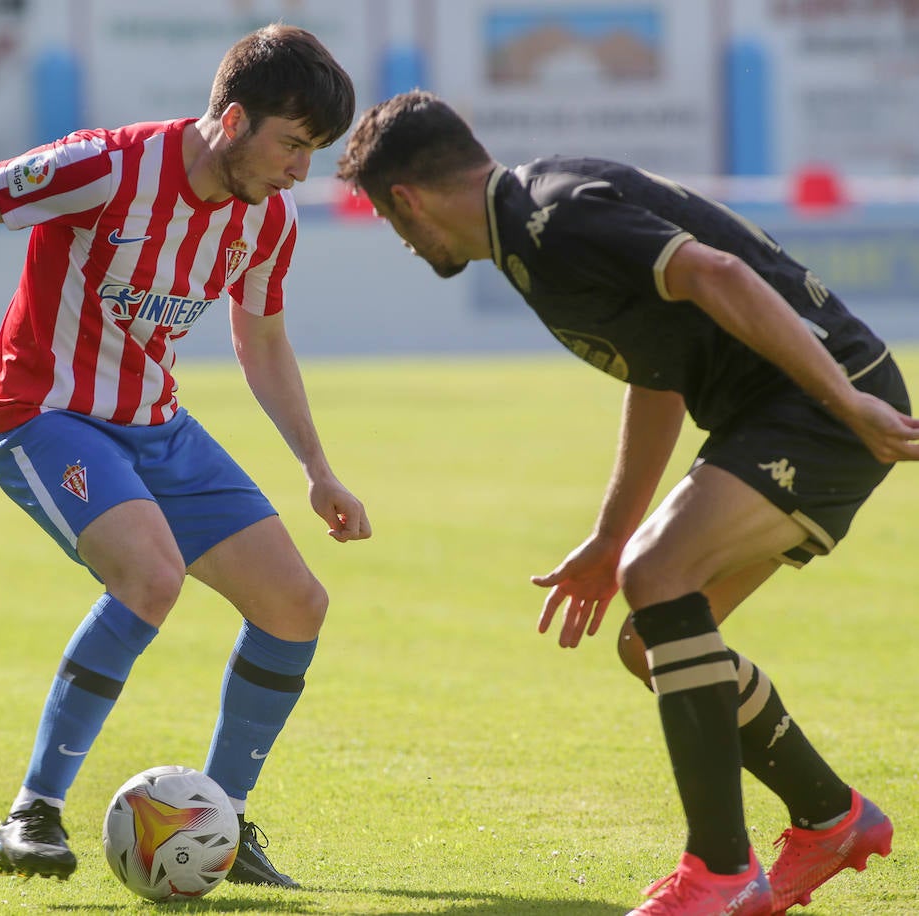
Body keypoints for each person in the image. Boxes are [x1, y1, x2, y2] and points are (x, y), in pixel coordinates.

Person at [337, 89, 918, 916]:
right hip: (790, 408)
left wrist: (843, 398)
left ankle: (718, 873)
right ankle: (832, 818)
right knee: (653, 642)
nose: (405, 243)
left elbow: (719, 273)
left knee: (663, 573)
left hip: (822, 404)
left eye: (397, 227)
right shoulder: (527, 235)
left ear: (408, 198)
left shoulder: (552, 217)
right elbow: (658, 373)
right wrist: (610, 540)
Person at [0, 24, 369, 887]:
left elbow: (261, 337)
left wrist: (317, 467)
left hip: (157, 427)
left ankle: (219, 823)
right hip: (43, 416)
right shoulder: (105, 167)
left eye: (313, 152)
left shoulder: (266, 220)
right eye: (292, 145)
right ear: (232, 120)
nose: (301, 169)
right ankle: (32, 809)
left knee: (297, 604)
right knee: (150, 577)